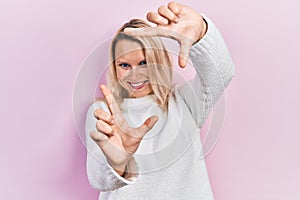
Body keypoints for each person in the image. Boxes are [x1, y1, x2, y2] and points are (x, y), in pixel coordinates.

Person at [85, 1, 235, 199]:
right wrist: (118, 163)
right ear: (114, 67)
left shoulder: (184, 102)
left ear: (159, 59)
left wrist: (201, 31)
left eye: (144, 62)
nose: (135, 75)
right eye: (124, 65)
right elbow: (99, 180)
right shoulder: (103, 111)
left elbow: (222, 73)